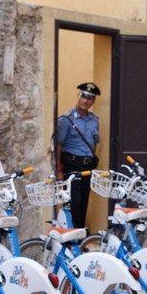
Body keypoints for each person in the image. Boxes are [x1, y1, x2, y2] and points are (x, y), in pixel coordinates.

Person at [56, 82, 101, 228]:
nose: (86, 100)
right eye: (83, 96)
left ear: (93, 101)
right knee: (73, 201)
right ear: (78, 96)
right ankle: (72, 235)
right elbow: (58, 145)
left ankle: (80, 234)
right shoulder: (66, 120)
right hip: (72, 163)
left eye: (90, 98)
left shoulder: (94, 120)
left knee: (84, 202)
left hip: (87, 166)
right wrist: (58, 170)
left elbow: (94, 143)